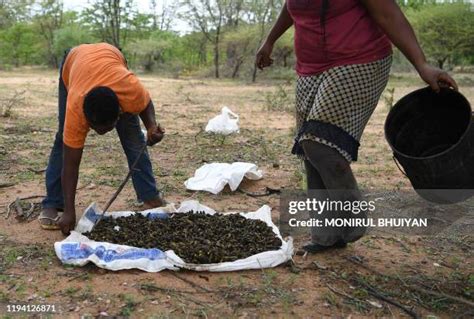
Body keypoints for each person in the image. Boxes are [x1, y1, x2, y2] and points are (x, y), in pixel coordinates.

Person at [256, 0, 457, 252]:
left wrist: (422, 65)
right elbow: (292, 5)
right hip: (310, 67)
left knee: (318, 144)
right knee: (311, 150)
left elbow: (389, 15)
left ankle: (353, 215)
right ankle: (327, 236)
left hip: (360, 60)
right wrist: (270, 40)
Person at [39, 43, 166, 235]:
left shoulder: (129, 91)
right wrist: (70, 213)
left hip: (111, 58)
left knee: (133, 139)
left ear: (119, 113)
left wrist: (151, 127)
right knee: (62, 138)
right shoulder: (76, 109)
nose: (100, 134)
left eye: (107, 128)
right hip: (74, 63)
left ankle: (149, 196)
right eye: (95, 128)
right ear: (85, 117)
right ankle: (55, 202)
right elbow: (71, 165)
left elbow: (145, 102)